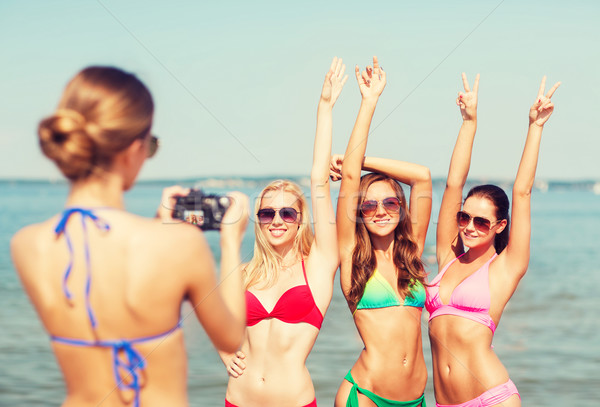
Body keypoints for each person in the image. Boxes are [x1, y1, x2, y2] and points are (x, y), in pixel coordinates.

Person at [10, 66, 249, 407]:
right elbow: (231, 335)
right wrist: (230, 241)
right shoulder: (180, 244)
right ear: (132, 148)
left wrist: (157, 223)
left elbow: (105, 294)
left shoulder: (26, 245)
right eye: (151, 145)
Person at [426, 74, 560, 407]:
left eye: (481, 221)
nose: (469, 226)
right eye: (464, 217)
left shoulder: (506, 268)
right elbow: (453, 184)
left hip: (492, 399)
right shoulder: (448, 257)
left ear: (500, 226)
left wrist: (536, 127)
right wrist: (469, 122)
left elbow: (523, 191)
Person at [220, 57, 346, 407]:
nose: (277, 220)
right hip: (238, 400)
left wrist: (325, 107)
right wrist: (223, 351)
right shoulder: (245, 273)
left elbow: (319, 182)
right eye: (267, 213)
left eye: (287, 212)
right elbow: (211, 311)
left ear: (301, 219)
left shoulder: (318, 265)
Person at [332, 56, 432, 407]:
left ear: (402, 208)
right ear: (358, 213)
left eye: (390, 203)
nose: (380, 211)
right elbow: (348, 179)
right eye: (369, 205)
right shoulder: (351, 256)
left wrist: (365, 161)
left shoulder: (412, 251)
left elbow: (422, 177)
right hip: (366, 396)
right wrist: (369, 102)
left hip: (417, 399)